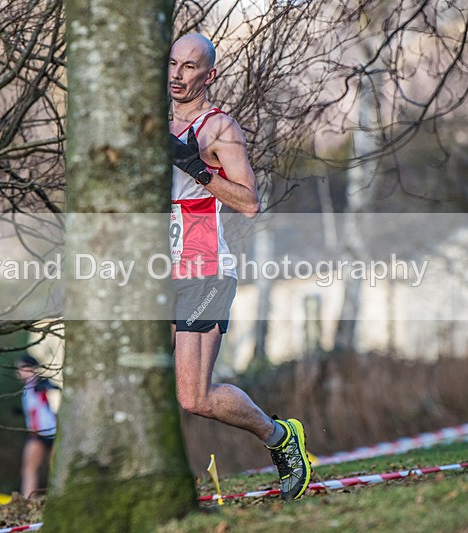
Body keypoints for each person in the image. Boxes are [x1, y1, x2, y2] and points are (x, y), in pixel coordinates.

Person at [168, 33, 312, 501]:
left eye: (189, 67)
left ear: (208, 75)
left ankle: (281, 437)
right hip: (160, 270)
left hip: (205, 269)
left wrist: (199, 170)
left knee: (195, 397)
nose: (177, 74)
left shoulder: (218, 129)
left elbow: (250, 202)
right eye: (172, 64)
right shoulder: (153, 125)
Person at [16, 354, 59, 498]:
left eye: (21, 367)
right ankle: (29, 501)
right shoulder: (27, 389)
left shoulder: (39, 384)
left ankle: (57, 497)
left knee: (56, 468)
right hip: (37, 434)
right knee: (29, 469)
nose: (18, 371)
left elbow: (54, 393)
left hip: (49, 432)